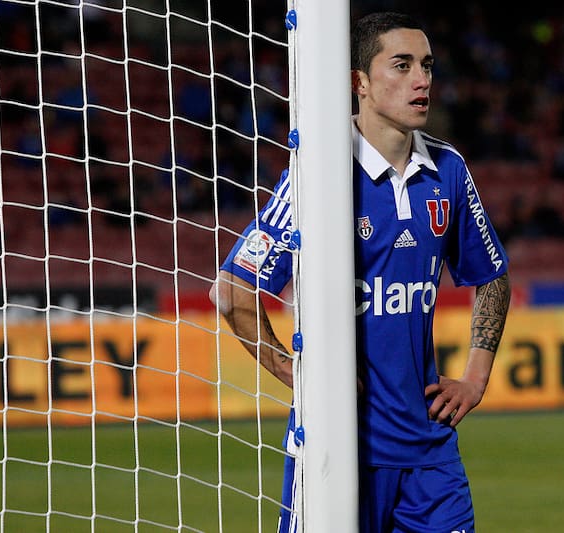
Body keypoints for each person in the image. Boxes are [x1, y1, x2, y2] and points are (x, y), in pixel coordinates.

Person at [209, 11, 511, 533]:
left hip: (430, 450)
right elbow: (232, 290)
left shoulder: (448, 170)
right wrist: (298, 376)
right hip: (338, 447)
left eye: (427, 65)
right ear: (360, 82)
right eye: (402, 65)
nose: (422, 80)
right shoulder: (318, 176)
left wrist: (475, 379)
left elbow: (492, 275)